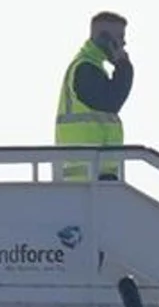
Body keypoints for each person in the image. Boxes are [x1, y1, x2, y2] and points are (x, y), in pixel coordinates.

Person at [54, 11, 134, 181]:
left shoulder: (93, 67)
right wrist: (124, 66)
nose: (124, 43)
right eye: (119, 37)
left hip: (94, 175)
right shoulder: (85, 69)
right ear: (105, 39)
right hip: (86, 178)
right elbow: (112, 101)